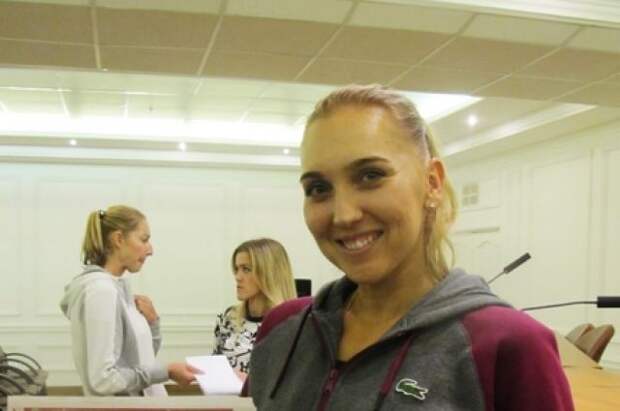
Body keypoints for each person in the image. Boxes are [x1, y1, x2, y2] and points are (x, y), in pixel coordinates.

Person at [246, 85, 574, 410]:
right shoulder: (285, 329)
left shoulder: (507, 346)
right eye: (318, 188)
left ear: (432, 182)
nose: (344, 215)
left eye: (370, 175)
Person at [60, 205, 197, 396]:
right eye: (144, 239)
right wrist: (167, 371)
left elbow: (140, 361)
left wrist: (153, 324)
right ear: (118, 239)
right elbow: (103, 380)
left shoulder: (116, 288)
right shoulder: (101, 291)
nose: (150, 250)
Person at [213, 238, 296, 377]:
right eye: (236, 269)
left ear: (270, 273)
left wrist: (248, 382)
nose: (238, 277)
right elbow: (214, 369)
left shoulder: (292, 325)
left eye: (246, 269)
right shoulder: (228, 318)